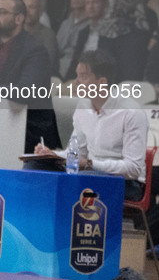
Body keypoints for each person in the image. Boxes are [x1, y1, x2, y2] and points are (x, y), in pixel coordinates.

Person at [32, 50, 148, 200]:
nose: (76, 82)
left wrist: (89, 164)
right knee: (35, 167)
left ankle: (64, 222)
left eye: (83, 76)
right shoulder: (83, 106)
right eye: (77, 75)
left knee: (78, 180)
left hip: (126, 183)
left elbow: (133, 169)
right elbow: (76, 154)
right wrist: (51, 154)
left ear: (102, 82)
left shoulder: (131, 112)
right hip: (89, 173)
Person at [0, 0, 61, 153]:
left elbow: (23, 92)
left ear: (19, 18)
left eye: (2, 12)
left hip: (30, 134)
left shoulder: (35, 50)